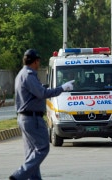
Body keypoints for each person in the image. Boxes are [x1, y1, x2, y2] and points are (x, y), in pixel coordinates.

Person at [9, 49, 74, 180]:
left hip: (25, 117)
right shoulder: (29, 75)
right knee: (42, 148)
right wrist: (62, 88)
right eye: (38, 61)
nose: (39, 64)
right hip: (32, 118)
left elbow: (38, 92)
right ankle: (19, 175)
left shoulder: (21, 74)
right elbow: (42, 94)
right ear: (35, 61)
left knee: (31, 153)